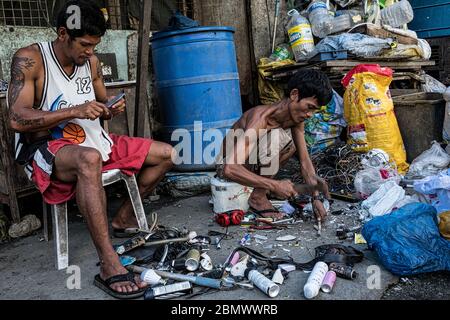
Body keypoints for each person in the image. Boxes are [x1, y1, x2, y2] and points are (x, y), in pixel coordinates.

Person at [7, 0, 174, 299]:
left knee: (167, 153)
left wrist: (110, 107)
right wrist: (74, 110)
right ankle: (109, 262)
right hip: (47, 148)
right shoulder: (31, 59)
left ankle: (122, 219)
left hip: (92, 139)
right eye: (84, 44)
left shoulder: (91, 62)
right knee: (89, 159)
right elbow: (17, 119)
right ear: (62, 34)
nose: (90, 52)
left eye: (95, 46)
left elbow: (99, 102)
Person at [217, 69, 333, 221]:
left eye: (314, 110)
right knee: (278, 137)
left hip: (250, 165)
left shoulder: (296, 120)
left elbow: (305, 162)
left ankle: (262, 189)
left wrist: (315, 197)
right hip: (226, 167)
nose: (310, 115)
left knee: (289, 143)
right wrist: (274, 185)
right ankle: (258, 197)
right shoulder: (260, 119)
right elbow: (229, 168)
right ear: (294, 95)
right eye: (309, 107)